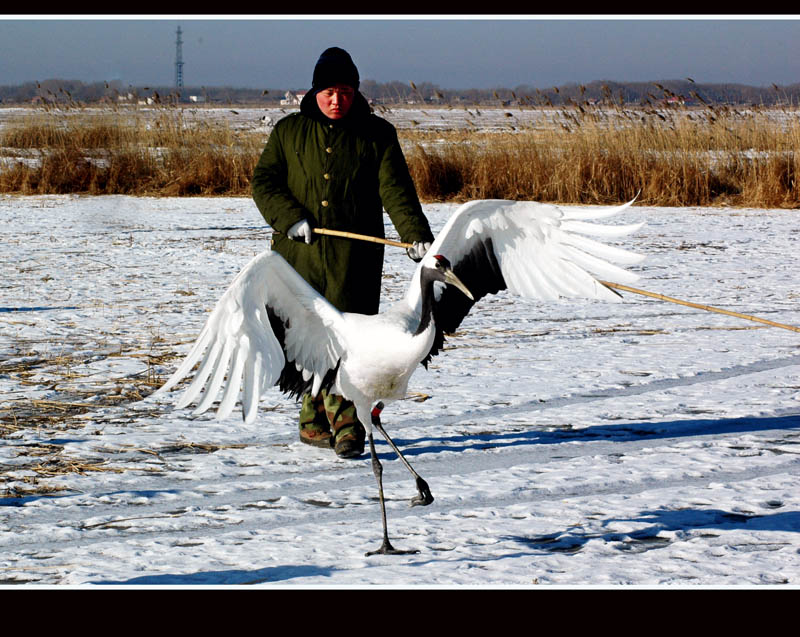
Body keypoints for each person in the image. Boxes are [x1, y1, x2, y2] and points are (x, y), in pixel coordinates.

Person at [251, 47, 435, 459]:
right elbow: (264, 183)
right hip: (297, 261)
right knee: (303, 340)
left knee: (350, 345)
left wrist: (416, 235)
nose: (338, 100)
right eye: (330, 91)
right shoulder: (288, 132)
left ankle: (347, 422)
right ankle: (312, 417)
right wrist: (289, 218)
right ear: (315, 91)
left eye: (346, 91)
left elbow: (396, 190)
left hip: (354, 263)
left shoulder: (377, 134)